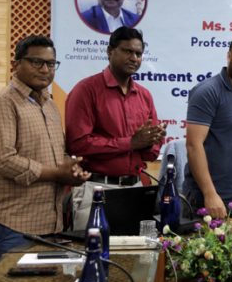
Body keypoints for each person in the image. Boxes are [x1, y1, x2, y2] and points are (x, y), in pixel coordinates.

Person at [0, 36, 90, 266]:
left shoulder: (49, 104)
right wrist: (57, 174)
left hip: (50, 224)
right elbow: (4, 161)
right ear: (16, 64)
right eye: (37, 62)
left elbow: (57, 155)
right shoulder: (3, 104)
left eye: (50, 64)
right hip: (13, 225)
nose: (45, 69)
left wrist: (71, 170)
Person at [65, 26, 165, 229]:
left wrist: (149, 142)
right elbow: (77, 144)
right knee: (92, 255)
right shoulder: (86, 90)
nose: (134, 58)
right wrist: (131, 143)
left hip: (135, 188)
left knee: (133, 258)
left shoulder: (144, 95)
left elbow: (152, 152)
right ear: (110, 52)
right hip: (96, 189)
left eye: (138, 53)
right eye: (127, 51)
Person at [182, 34, 232, 219]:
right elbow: (193, 145)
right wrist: (210, 194)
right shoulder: (207, 91)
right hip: (207, 200)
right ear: (229, 55)